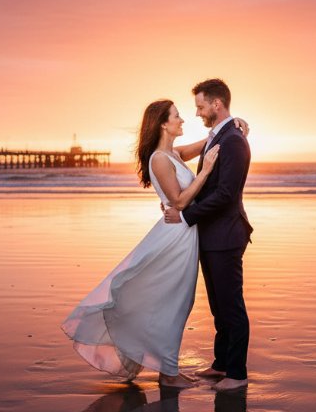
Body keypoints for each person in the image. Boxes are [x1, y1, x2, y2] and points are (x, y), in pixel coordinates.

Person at [62, 99, 247, 388]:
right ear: (163, 123)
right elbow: (180, 201)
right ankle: (168, 374)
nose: (183, 119)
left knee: (177, 302)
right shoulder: (159, 159)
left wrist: (234, 124)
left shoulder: (172, 153)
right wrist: (206, 171)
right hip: (176, 236)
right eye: (176, 116)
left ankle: (168, 370)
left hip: (184, 236)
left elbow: (209, 141)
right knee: (172, 302)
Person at [164, 79, 253, 391]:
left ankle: (237, 374)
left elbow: (226, 195)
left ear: (217, 104)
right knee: (218, 304)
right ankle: (221, 364)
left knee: (231, 304)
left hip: (227, 235)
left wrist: (185, 215)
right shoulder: (222, 136)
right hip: (211, 235)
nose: (198, 112)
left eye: (201, 106)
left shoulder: (234, 141)